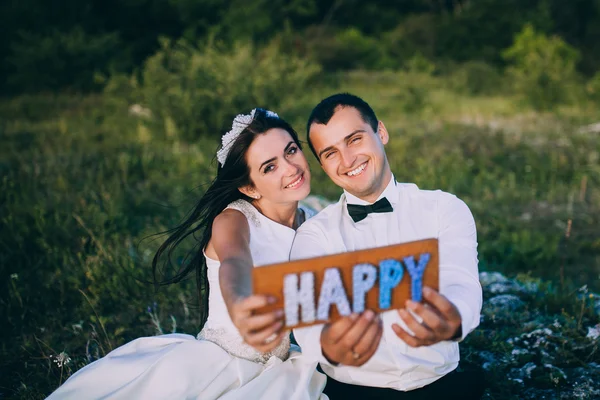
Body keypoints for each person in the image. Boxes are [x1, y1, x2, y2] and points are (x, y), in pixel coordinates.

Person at [47, 109, 328, 400]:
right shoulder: (234, 220)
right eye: (269, 167)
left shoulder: (311, 221)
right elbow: (235, 263)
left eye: (291, 151)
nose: (290, 168)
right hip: (220, 363)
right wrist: (241, 304)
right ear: (248, 187)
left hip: (278, 365)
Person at [290, 94, 485, 399]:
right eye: (331, 153)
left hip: (440, 385)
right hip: (352, 391)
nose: (348, 160)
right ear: (323, 165)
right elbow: (309, 325)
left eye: (354, 139)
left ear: (381, 132)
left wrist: (453, 319)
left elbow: (461, 282)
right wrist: (329, 345)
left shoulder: (444, 208)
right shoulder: (314, 236)